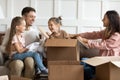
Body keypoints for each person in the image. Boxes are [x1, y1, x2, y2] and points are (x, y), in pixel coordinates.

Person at [73, 10, 120, 80]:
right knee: (83, 60)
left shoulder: (117, 35)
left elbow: (103, 45)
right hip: (102, 61)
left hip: (109, 63)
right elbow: (93, 34)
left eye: (104, 18)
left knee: (85, 68)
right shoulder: (106, 32)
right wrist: (78, 35)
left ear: (110, 20)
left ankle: (93, 74)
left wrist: (86, 41)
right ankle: (94, 73)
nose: (102, 20)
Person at [0, 7, 44, 78]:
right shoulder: (11, 30)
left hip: (28, 56)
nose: (33, 19)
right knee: (18, 64)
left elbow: (37, 47)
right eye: (31, 17)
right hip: (15, 57)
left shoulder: (34, 31)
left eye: (34, 17)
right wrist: (10, 48)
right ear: (24, 17)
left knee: (30, 62)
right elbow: (2, 48)